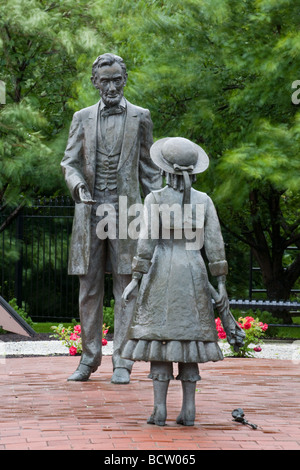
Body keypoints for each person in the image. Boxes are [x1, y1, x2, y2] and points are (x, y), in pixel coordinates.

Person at [121, 137, 244, 425]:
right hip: (194, 272)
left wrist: (136, 277)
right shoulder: (204, 200)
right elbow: (214, 244)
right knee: (190, 340)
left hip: (161, 271)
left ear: (165, 170)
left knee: (161, 338)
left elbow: (148, 241)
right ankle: (189, 409)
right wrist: (221, 283)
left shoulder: (155, 199)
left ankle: (159, 409)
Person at [61, 53, 162, 384]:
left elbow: (149, 168)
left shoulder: (141, 117)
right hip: (90, 211)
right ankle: (88, 359)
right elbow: (70, 162)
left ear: (125, 79)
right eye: (105, 80)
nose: (112, 86)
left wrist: (160, 208)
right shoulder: (82, 118)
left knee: (126, 285)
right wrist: (77, 185)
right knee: (88, 286)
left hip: (127, 213)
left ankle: (123, 360)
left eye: (117, 79)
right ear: (95, 82)